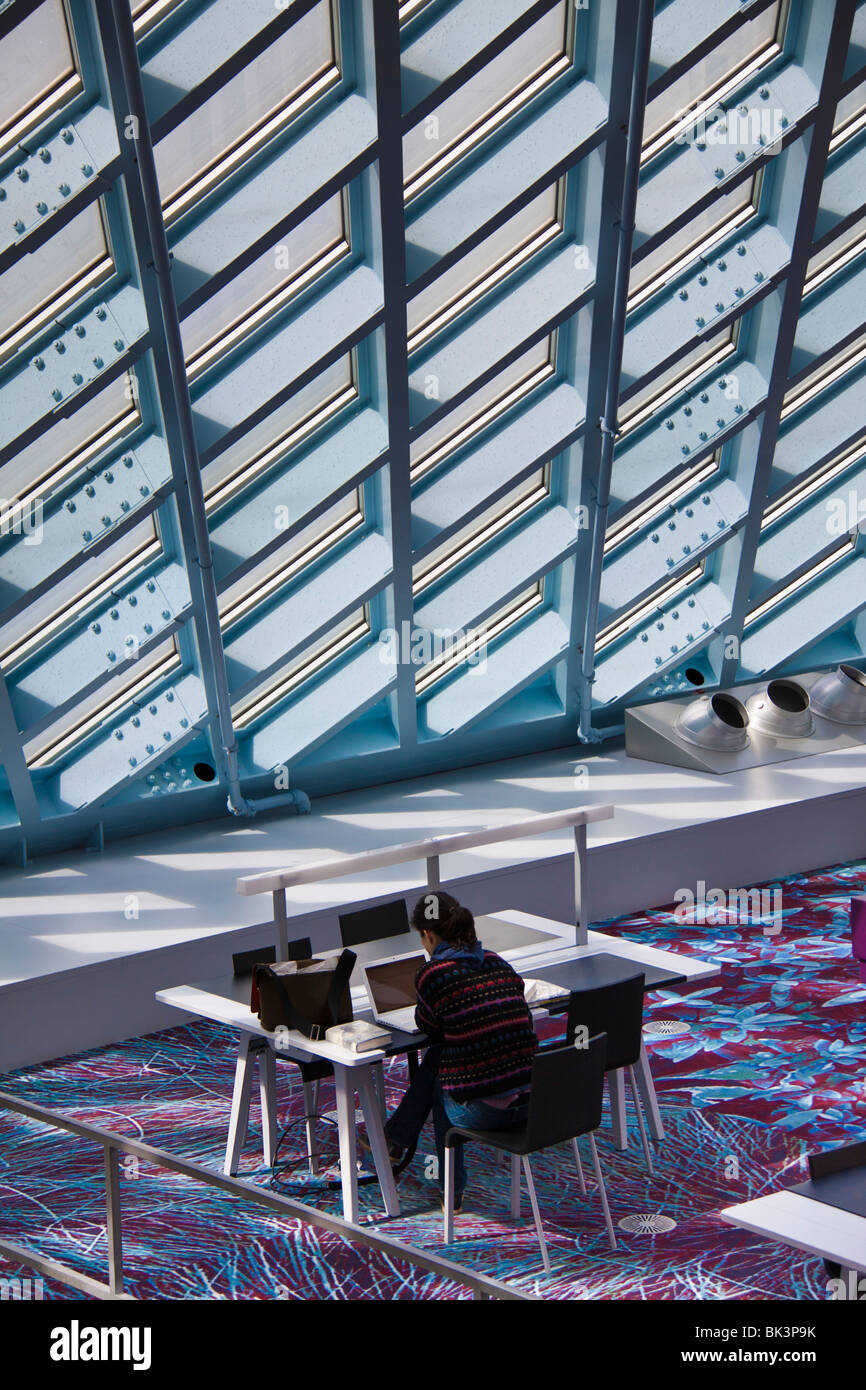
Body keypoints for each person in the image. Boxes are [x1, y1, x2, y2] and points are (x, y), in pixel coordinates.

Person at [371, 890, 538, 1211]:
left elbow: (429, 1026)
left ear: (428, 934)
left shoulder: (433, 974)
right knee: (440, 1060)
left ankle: (447, 1185)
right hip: (535, 1105)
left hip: (489, 1114)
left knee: (440, 1080)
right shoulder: (496, 962)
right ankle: (395, 1140)